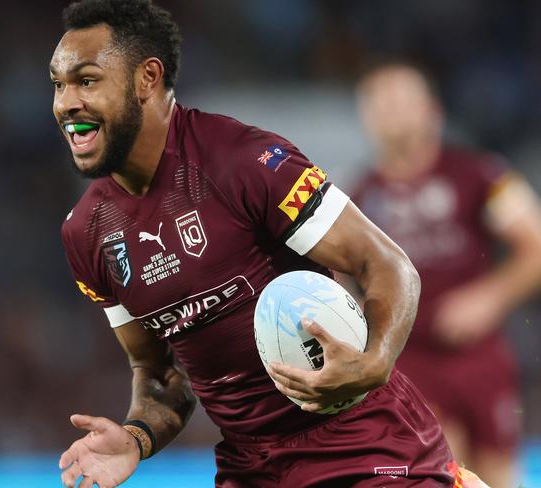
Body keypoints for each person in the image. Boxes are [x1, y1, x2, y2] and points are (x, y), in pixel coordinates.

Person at [50, 1, 465, 486]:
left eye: (86, 80)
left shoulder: (242, 162)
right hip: (252, 470)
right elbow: (158, 375)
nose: (65, 103)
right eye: (58, 85)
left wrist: (373, 364)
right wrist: (137, 436)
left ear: (147, 78)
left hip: (364, 445)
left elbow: (387, 264)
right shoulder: (86, 233)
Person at [353, 61, 541, 487]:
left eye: (402, 100)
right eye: (381, 103)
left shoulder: (479, 174)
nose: (392, 112)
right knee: (441, 472)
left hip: (481, 359)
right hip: (412, 364)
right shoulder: (356, 200)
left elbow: (537, 245)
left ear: (433, 111)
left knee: (496, 476)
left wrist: (490, 297)